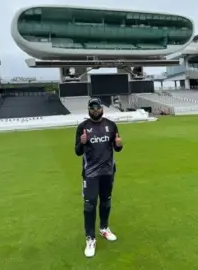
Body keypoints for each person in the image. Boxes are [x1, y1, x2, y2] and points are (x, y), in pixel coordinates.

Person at [74, 98, 123, 258]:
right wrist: (82, 143)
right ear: (89, 110)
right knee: (89, 205)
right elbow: (78, 152)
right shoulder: (83, 127)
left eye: (98, 107)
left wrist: (119, 144)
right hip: (91, 173)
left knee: (106, 201)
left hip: (108, 172)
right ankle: (90, 238)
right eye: (92, 108)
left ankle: (104, 228)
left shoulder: (111, 125)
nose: (95, 110)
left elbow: (117, 148)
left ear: (102, 108)